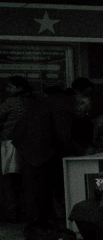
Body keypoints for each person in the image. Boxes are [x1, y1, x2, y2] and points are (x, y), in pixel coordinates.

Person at [12, 77, 95, 227]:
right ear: (80, 105)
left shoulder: (61, 101)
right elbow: (64, 137)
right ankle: (37, 224)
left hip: (28, 141)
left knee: (36, 184)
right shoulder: (65, 106)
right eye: (86, 112)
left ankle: (39, 221)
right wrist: (82, 152)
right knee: (37, 185)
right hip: (35, 145)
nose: (84, 116)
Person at [0, 76, 34, 222]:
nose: (7, 90)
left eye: (10, 87)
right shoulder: (33, 102)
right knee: (27, 181)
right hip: (29, 145)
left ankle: (12, 212)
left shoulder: (11, 102)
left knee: (8, 180)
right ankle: (29, 212)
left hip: (9, 144)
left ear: (19, 88)